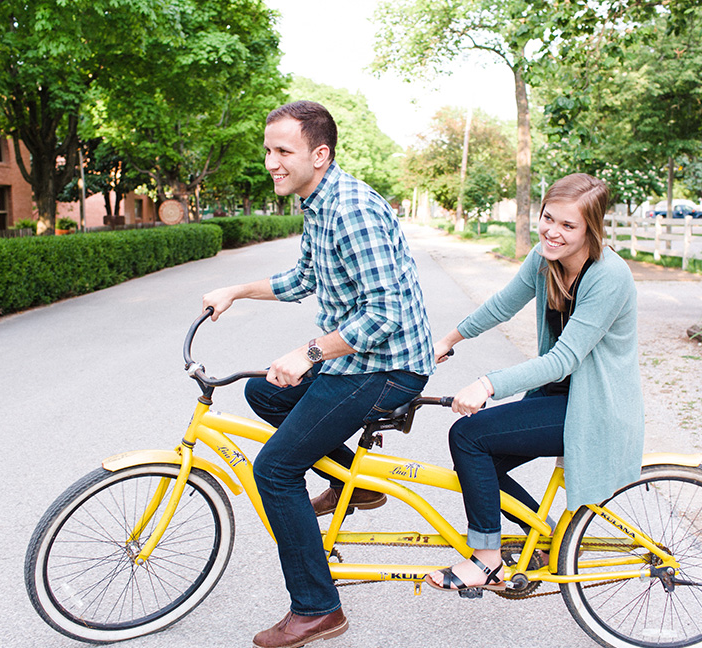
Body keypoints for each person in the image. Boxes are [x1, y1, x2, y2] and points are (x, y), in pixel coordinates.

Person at [202, 100, 435, 647]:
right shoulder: (318, 204)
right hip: (357, 359)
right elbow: (305, 277)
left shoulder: (350, 209)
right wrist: (237, 289)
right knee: (264, 391)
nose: (272, 163)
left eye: (284, 151)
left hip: (388, 367)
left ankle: (317, 607)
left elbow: (387, 315)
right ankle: (352, 484)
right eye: (268, 150)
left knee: (275, 470)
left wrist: (308, 352)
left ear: (319, 154)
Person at [424, 172, 644, 592]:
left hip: (593, 406)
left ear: (591, 230)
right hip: (559, 397)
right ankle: (542, 539)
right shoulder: (545, 259)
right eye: (548, 218)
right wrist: (447, 341)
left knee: (470, 437)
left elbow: (563, 360)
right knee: (475, 464)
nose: (553, 232)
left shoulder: (608, 277)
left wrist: (487, 384)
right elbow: (502, 306)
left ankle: (486, 561)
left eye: (568, 225)